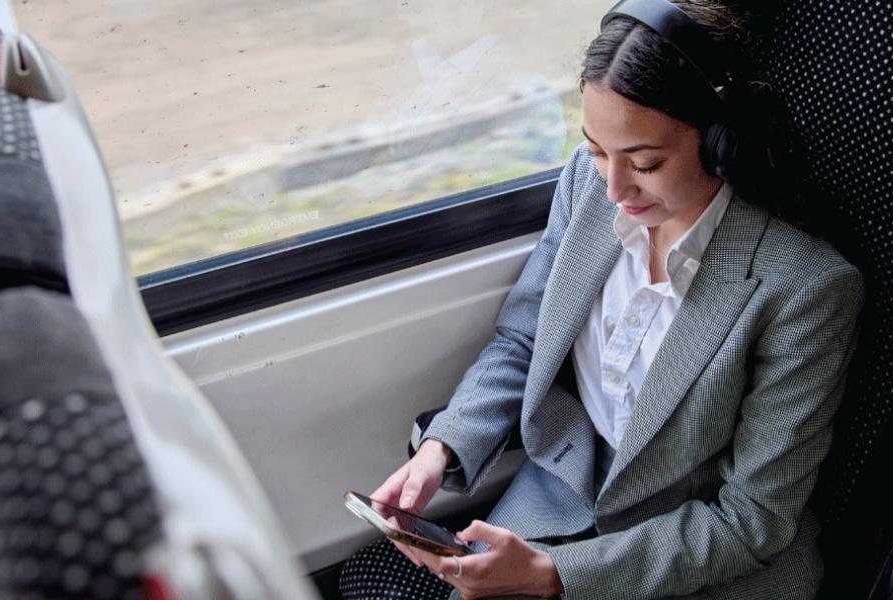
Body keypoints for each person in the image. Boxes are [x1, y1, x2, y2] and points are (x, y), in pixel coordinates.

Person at [339, 1, 865, 598]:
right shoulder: (586, 186)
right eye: (595, 149)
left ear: (720, 142)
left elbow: (752, 521)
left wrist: (554, 576)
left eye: (645, 163)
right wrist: (444, 447)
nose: (614, 188)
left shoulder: (806, 290)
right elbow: (524, 340)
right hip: (560, 503)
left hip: (701, 558)